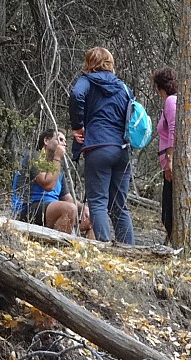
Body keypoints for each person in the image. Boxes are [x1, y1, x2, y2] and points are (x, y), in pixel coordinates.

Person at [69, 47, 134, 244]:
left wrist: (78, 126)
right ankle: (129, 250)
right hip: (122, 150)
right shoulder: (123, 88)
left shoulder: (86, 81)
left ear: (89, 63)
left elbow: (76, 95)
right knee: (119, 206)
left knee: (98, 202)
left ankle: (105, 246)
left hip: (97, 147)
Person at [11, 129, 93, 237]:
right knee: (69, 209)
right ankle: (57, 247)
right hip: (28, 209)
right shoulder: (34, 157)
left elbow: (67, 198)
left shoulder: (58, 169)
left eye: (65, 141)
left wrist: (83, 208)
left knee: (93, 217)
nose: (64, 143)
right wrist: (57, 157)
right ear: (46, 141)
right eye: (60, 139)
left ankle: (87, 251)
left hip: (51, 211)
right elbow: (48, 185)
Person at [152, 67, 177, 242]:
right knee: (168, 211)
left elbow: (174, 130)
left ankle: (174, 245)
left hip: (172, 165)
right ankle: (171, 242)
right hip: (168, 164)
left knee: (168, 214)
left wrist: (170, 160)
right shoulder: (175, 101)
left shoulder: (170, 101)